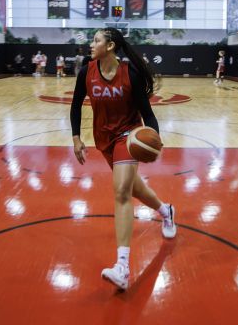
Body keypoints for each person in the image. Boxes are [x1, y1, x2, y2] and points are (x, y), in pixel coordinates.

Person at [70, 28, 176, 291]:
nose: (91, 44)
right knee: (134, 188)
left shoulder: (131, 74)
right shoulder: (87, 72)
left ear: (110, 46)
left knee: (120, 192)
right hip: (103, 139)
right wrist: (76, 139)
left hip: (128, 137)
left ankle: (122, 267)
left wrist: (154, 139)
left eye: (96, 40)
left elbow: (148, 114)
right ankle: (166, 211)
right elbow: (75, 106)